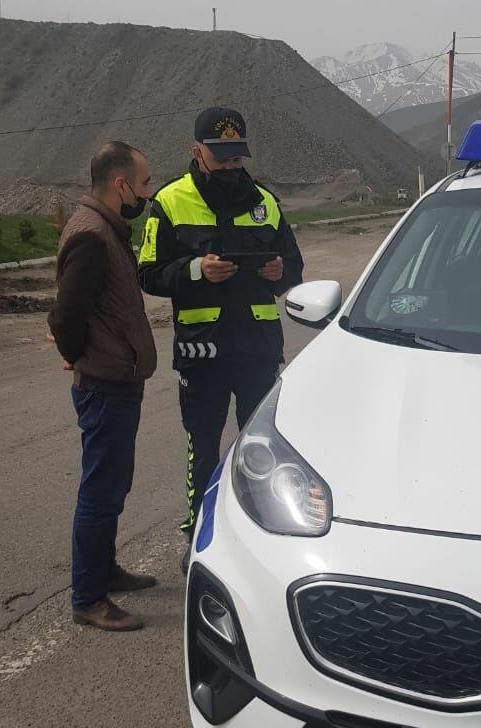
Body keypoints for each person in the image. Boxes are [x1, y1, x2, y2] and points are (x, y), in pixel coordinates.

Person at [137, 108, 304, 571]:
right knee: (204, 443)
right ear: (197, 153)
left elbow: (294, 265)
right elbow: (148, 274)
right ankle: (199, 533)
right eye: (221, 158)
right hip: (202, 350)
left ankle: (262, 533)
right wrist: (196, 270)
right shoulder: (170, 202)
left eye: (237, 158)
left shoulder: (265, 202)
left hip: (257, 347)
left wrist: (280, 274)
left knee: (263, 447)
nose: (231, 167)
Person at [47, 140, 158, 632]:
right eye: (145, 182)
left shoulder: (106, 229)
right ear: (121, 185)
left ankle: (105, 570)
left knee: (113, 485)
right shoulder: (93, 235)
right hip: (106, 383)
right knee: (99, 491)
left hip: (116, 378)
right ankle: (88, 597)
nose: (147, 191)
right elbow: (66, 313)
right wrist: (76, 356)